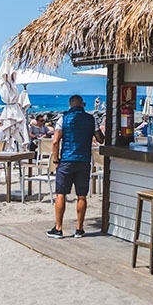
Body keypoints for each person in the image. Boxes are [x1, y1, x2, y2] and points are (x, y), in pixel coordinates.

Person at [47, 95, 104, 239]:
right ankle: (79, 229)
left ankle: (58, 228)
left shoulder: (63, 118)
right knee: (82, 195)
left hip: (66, 160)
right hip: (83, 160)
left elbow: (55, 142)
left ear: (70, 105)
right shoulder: (91, 119)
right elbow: (100, 139)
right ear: (82, 105)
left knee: (61, 194)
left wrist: (56, 160)